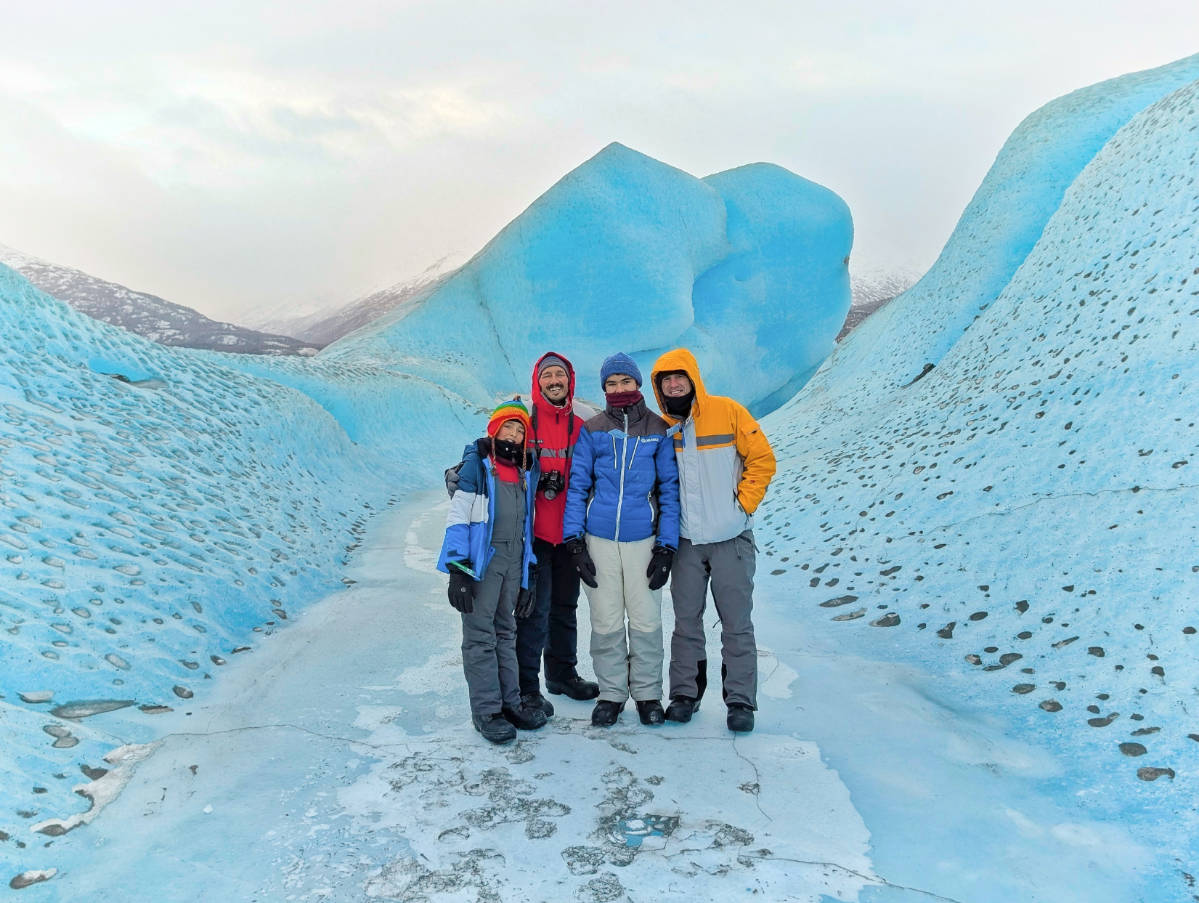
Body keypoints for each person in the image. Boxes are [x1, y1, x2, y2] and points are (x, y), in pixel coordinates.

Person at [650, 349, 776, 733]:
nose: (674, 384)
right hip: (687, 543)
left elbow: (762, 460)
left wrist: (742, 506)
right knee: (686, 623)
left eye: (679, 377)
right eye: (665, 379)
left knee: (737, 623)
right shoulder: (661, 429)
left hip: (730, 540)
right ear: (659, 387)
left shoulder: (728, 412)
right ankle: (684, 695)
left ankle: (740, 701)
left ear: (692, 379)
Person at [562, 353, 680, 727]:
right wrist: (574, 542)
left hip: (643, 540)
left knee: (645, 619)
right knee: (606, 619)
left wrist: (667, 546)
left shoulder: (658, 429)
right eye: (610, 384)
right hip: (598, 540)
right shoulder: (592, 428)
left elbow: (669, 490)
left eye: (624, 382)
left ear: (637, 384)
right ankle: (612, 694)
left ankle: (647, 694)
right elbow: (578, 486)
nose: (618, 389)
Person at [437, 399, 548, 744]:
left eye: (520, 430)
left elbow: (526, 526)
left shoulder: (526, 469)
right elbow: (459, 517)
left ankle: (510, 703)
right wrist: (459, 569)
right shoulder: (478, 466)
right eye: (508, 428)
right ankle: (487, 710)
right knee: (480, 635)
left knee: (506, 631)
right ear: (494, 429)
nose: (514, 435)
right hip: (484, 562)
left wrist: (528, 574)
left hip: (513, 563)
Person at [515, 353, 600, 714]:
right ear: (538, 381)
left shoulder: (581, 423)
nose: (554, 381)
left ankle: (562, 674)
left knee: (565, 607)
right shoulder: (523, 423)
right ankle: (525, 686)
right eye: (547, 375)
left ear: (570, 381)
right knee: (533, 611)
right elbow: (498, 453)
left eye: (559, 375)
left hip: (568, 532)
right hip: (532, 534)